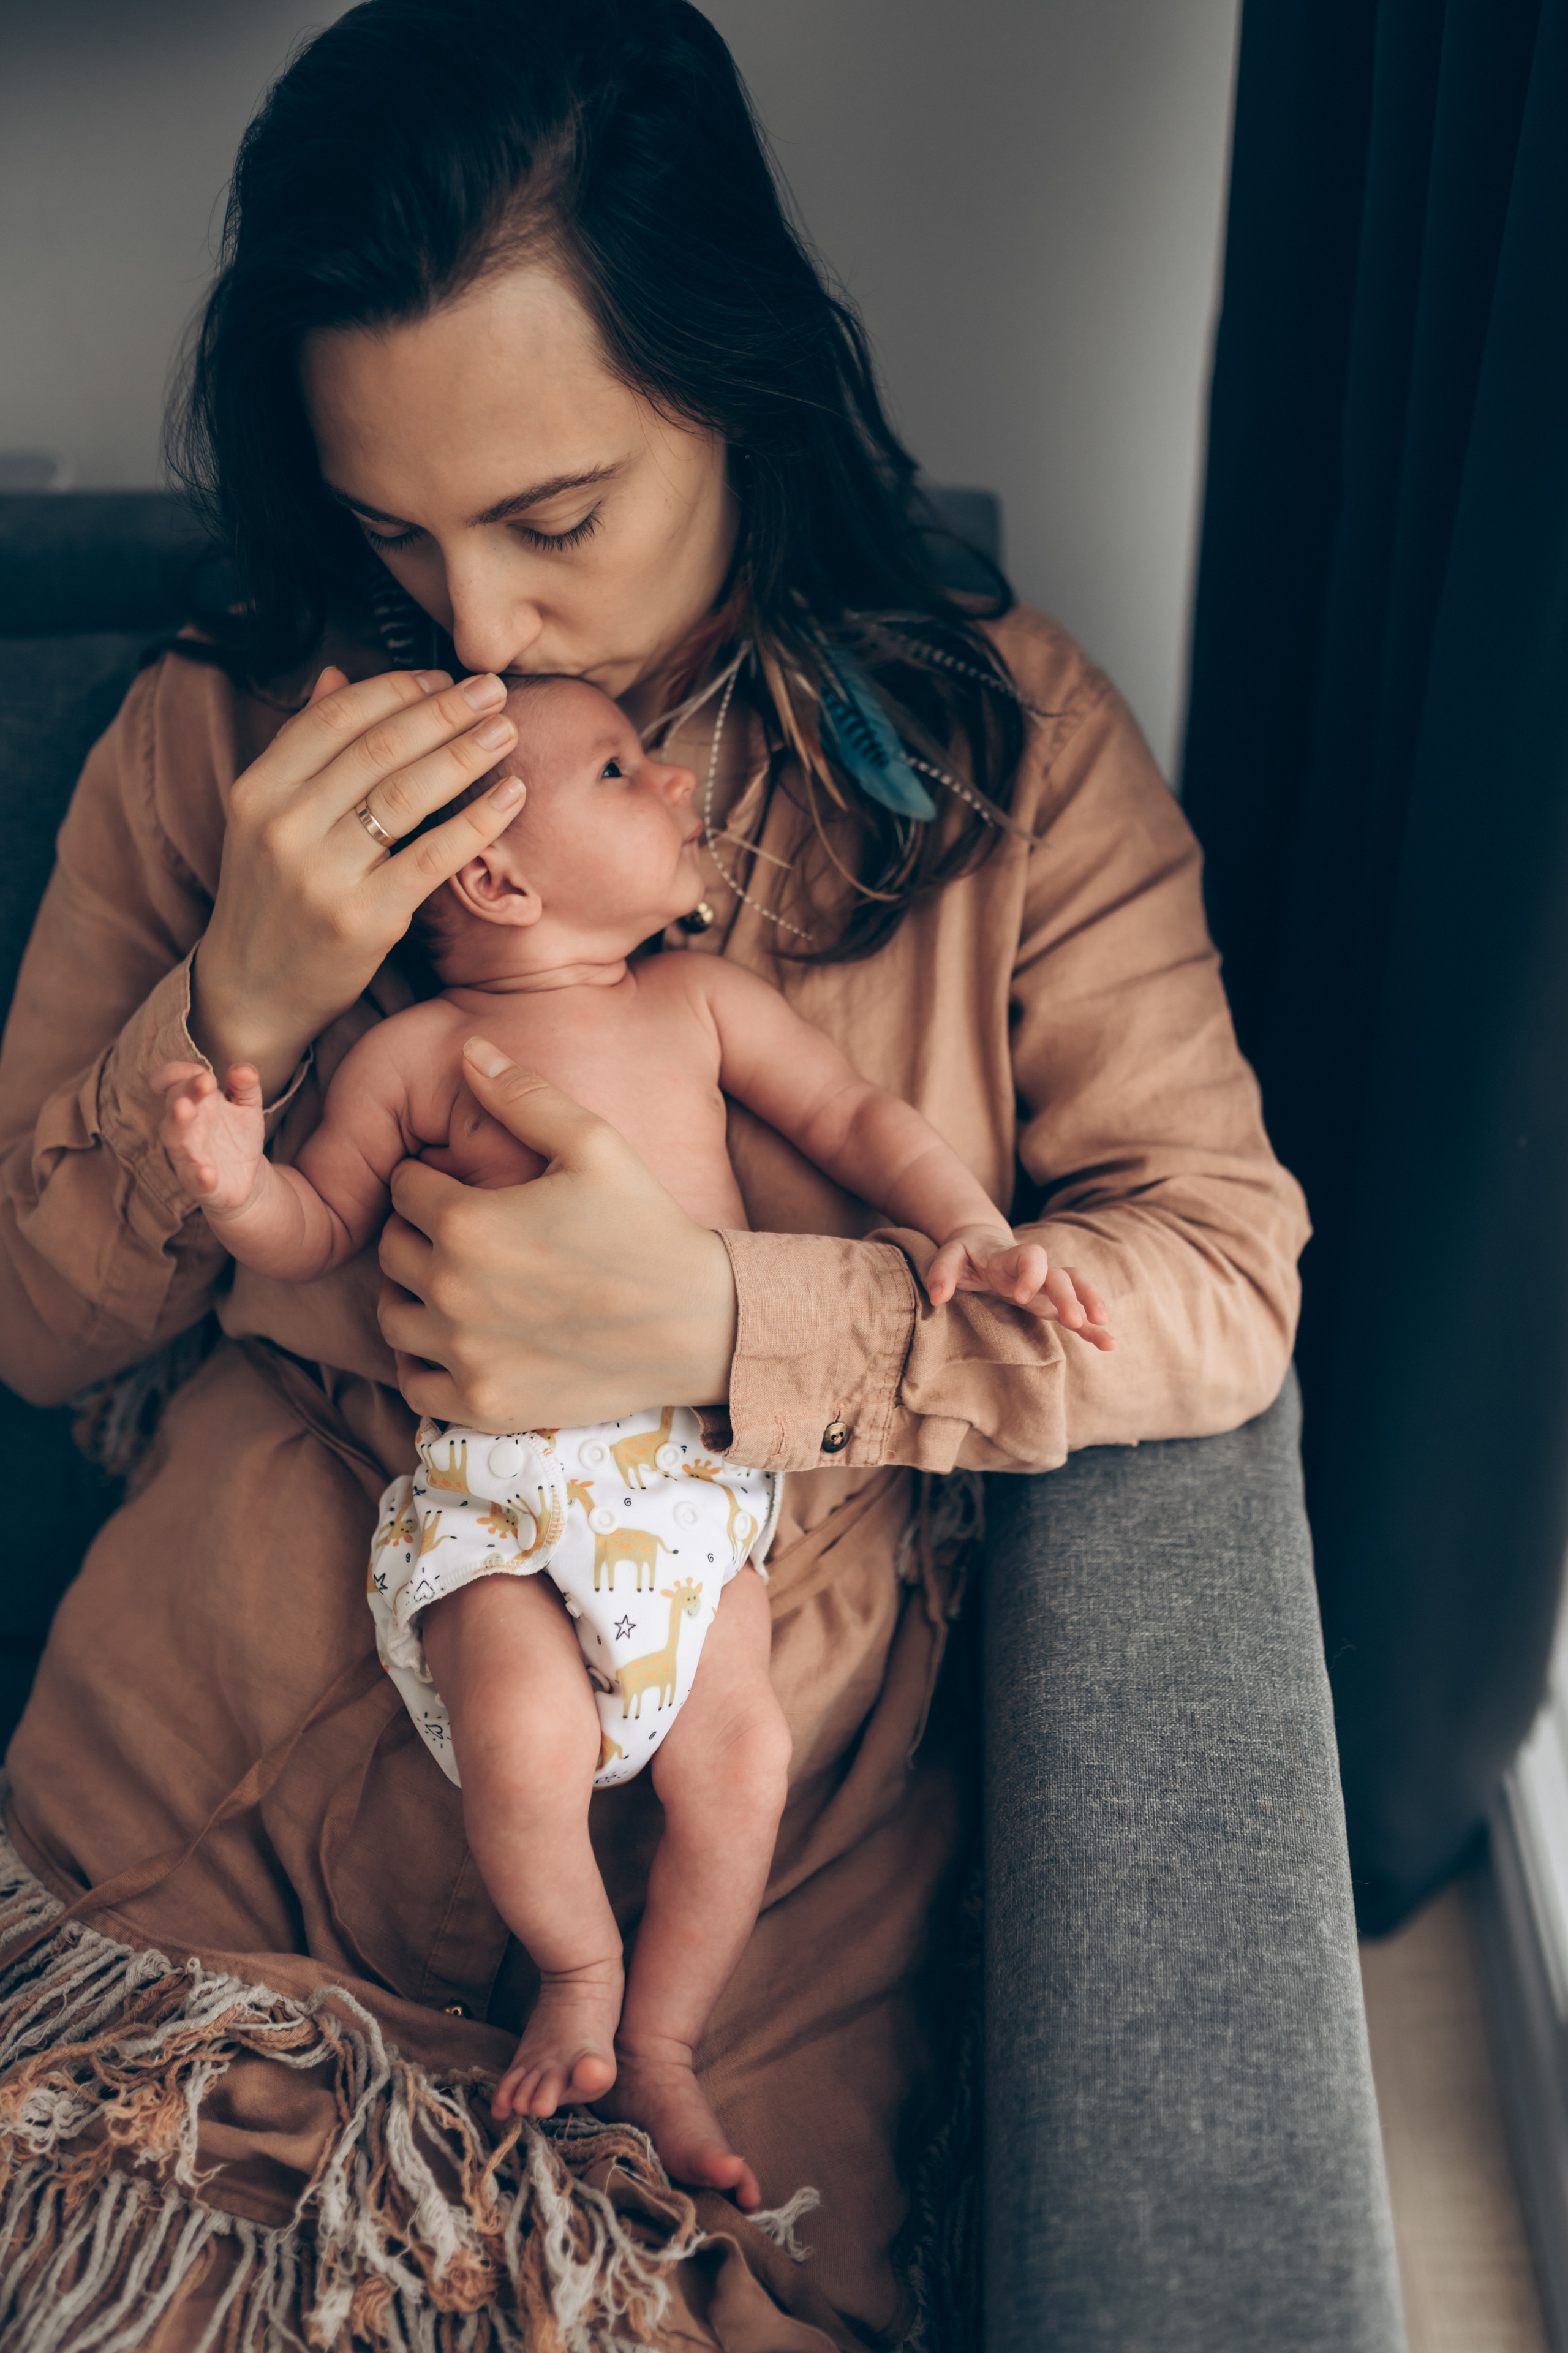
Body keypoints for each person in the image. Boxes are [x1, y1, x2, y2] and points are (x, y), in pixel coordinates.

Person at [0, 3, 1399, 2346]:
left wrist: (731, 1324)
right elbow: (35, 1320)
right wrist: (240, 998)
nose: (471, 629)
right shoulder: (220, 745)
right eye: (388, 534)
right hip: (188, 1872)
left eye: (551, 520)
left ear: (737, 390)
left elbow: (1217, 1273)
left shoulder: (1005, 766)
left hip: (706, 1963)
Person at [153, 668, 1110, 2204]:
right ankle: (580, 1967)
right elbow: (313, 1226)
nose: (677, 787)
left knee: (743, 1754)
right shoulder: (418, 1054)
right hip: (502, 1506)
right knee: (526, 1741)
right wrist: (228, 1177)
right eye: (617, 770)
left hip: (692, 1481)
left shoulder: (702, 1000)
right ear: (495, 875)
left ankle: (662, 2039)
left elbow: (858, 1120)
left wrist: (972, 1230)